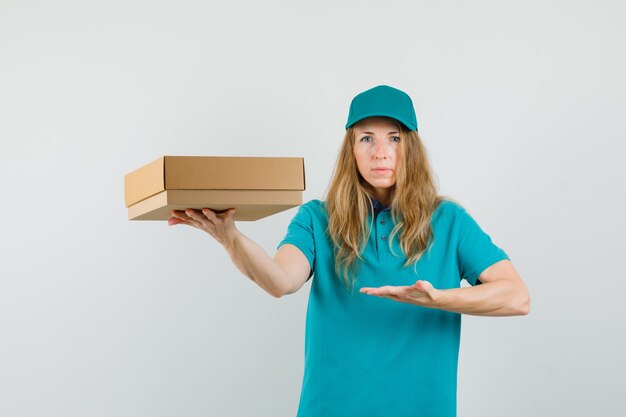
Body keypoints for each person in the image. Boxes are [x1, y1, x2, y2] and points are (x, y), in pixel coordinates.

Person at [168, 84, 531, 417]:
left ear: (412, 147)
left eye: (394, 138)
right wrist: (229, 236)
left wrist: (438, 299)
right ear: (351, 150)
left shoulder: (449, 220)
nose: (380, 152)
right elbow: (281, 280)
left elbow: (517, 297)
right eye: (366, 139)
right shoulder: (316, 218)